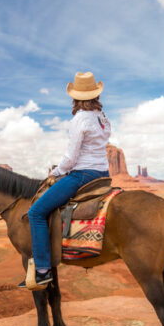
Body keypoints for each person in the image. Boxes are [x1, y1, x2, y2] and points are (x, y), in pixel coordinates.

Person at [22, 71, 111, 289]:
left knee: (36, 212)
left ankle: (42, 270)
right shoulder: (103, 118)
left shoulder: (79, 119)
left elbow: (71, 157)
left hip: (82, 175)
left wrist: (57, 172)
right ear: (95, 94)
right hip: (102, 174)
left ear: (76, 96)